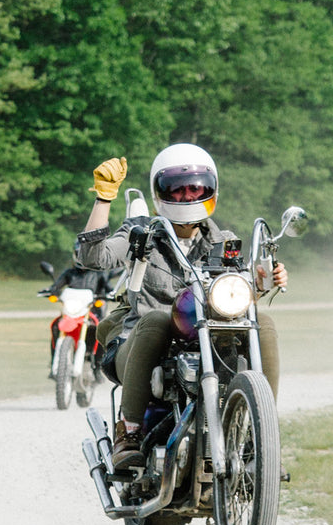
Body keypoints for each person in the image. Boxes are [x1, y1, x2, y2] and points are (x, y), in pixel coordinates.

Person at [75, 144, 287, 470]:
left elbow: (233, 300)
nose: (188, 197)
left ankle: (259, 433)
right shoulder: (141, 233)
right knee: (159, 319)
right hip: (137, 344)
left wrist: (260, 281)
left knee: (264, 322)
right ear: (160, 193)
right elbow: (92, 257)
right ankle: (128, 431)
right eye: (177, 189)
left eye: (196, 188)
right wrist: (104, 199)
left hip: (205, 344)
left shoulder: (223, 241)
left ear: (211, 188)